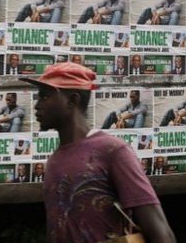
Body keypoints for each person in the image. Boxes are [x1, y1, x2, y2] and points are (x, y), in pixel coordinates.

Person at [19, 61, 176, 241]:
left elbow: (160, 232)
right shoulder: (56, 159)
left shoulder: (112, 151)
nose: (37, 105)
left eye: (45, 97)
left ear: (72, 100)